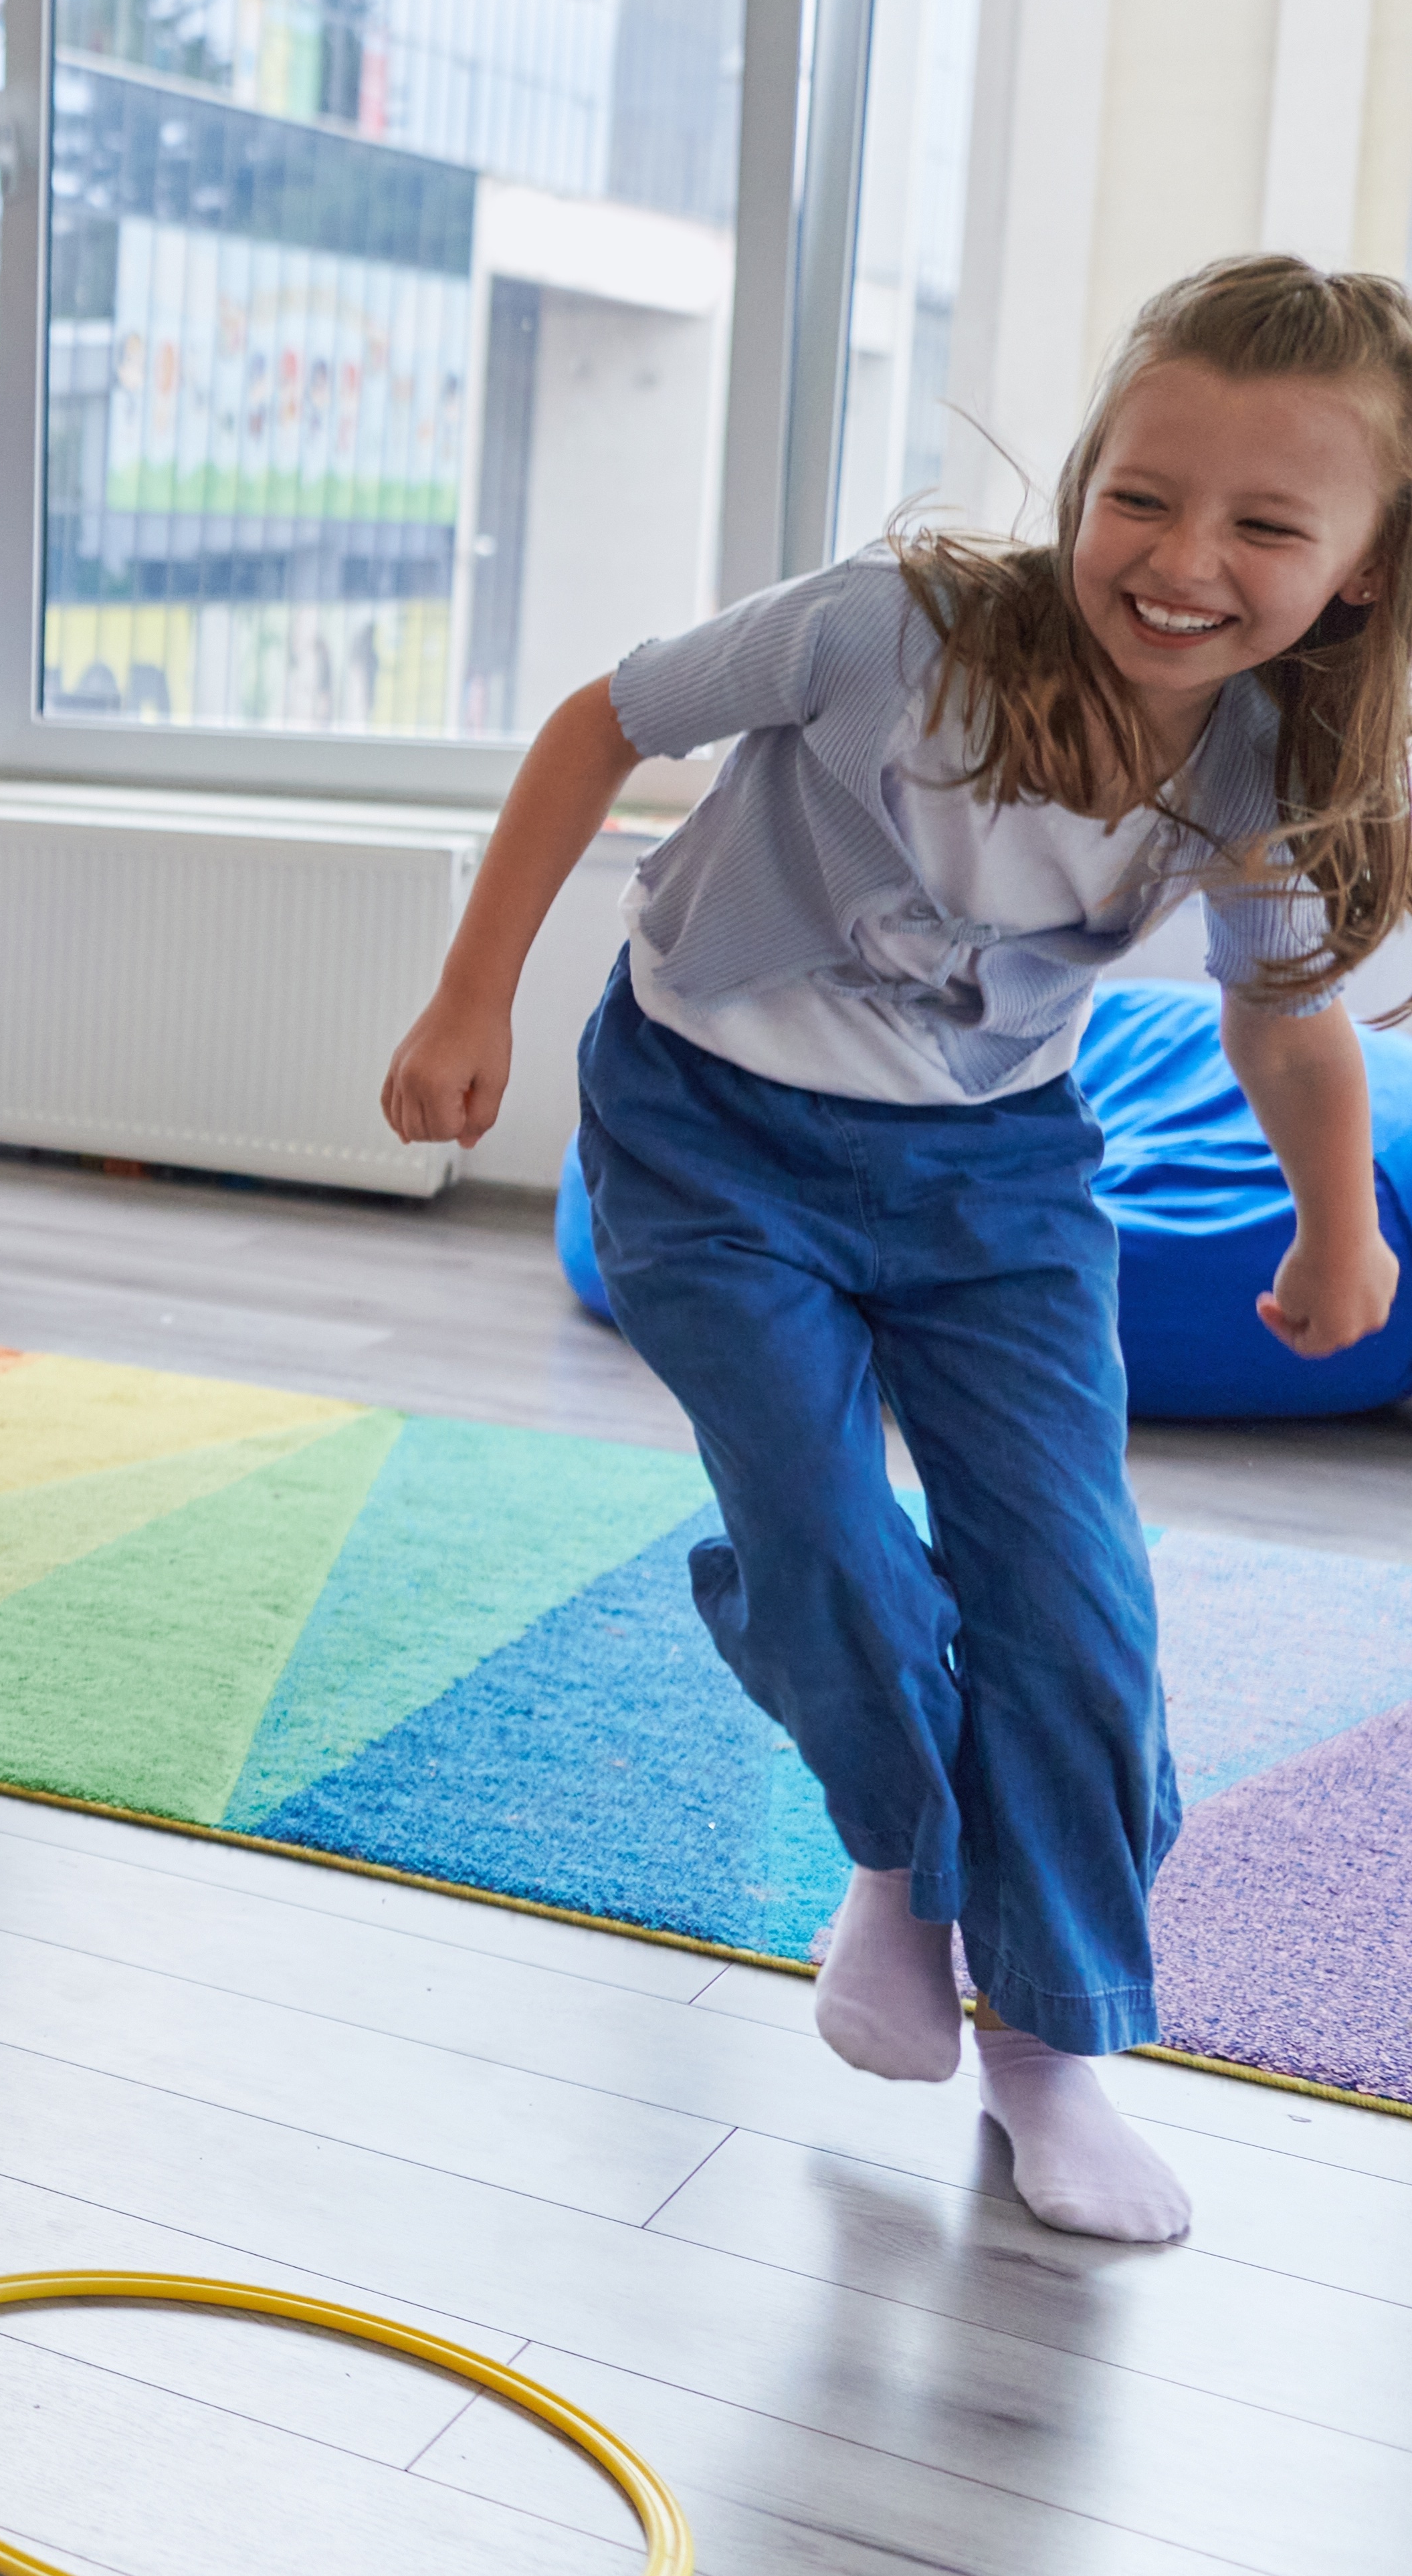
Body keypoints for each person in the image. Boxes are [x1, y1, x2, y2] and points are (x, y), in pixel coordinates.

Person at [383, 252, 1412, 2248]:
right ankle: (903, 1854)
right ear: (1082, 478)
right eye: (1141, 493)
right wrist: (467, 1001)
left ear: (1360, 569)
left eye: (1265, 525)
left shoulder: (1261, 767)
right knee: (834, 1559)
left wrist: (1335, 1219)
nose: (1182, 557)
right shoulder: (886, 633)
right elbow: (601, 723)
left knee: (1076, 1607)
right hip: (704, 1136)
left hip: (991, 1177)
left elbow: (1279, 1019)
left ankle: (1047, 2041)